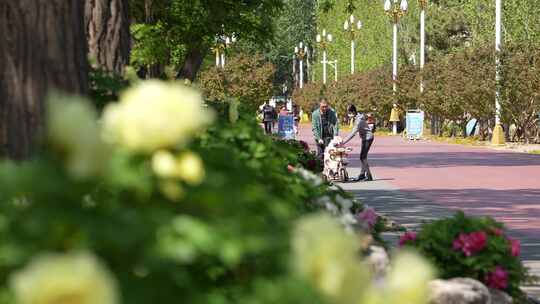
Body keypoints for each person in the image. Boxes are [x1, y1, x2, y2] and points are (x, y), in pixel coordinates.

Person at [341, 105, 375, 181]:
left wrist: (343, 142)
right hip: (365, 138)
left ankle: (369, 176)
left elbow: (353, 133)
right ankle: (362, 174)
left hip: (368, 138)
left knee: (362, 157)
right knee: (363, 156)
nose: (348, 114)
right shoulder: (357, 117)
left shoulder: (358, 120)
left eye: (349, 113)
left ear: (353, 112)